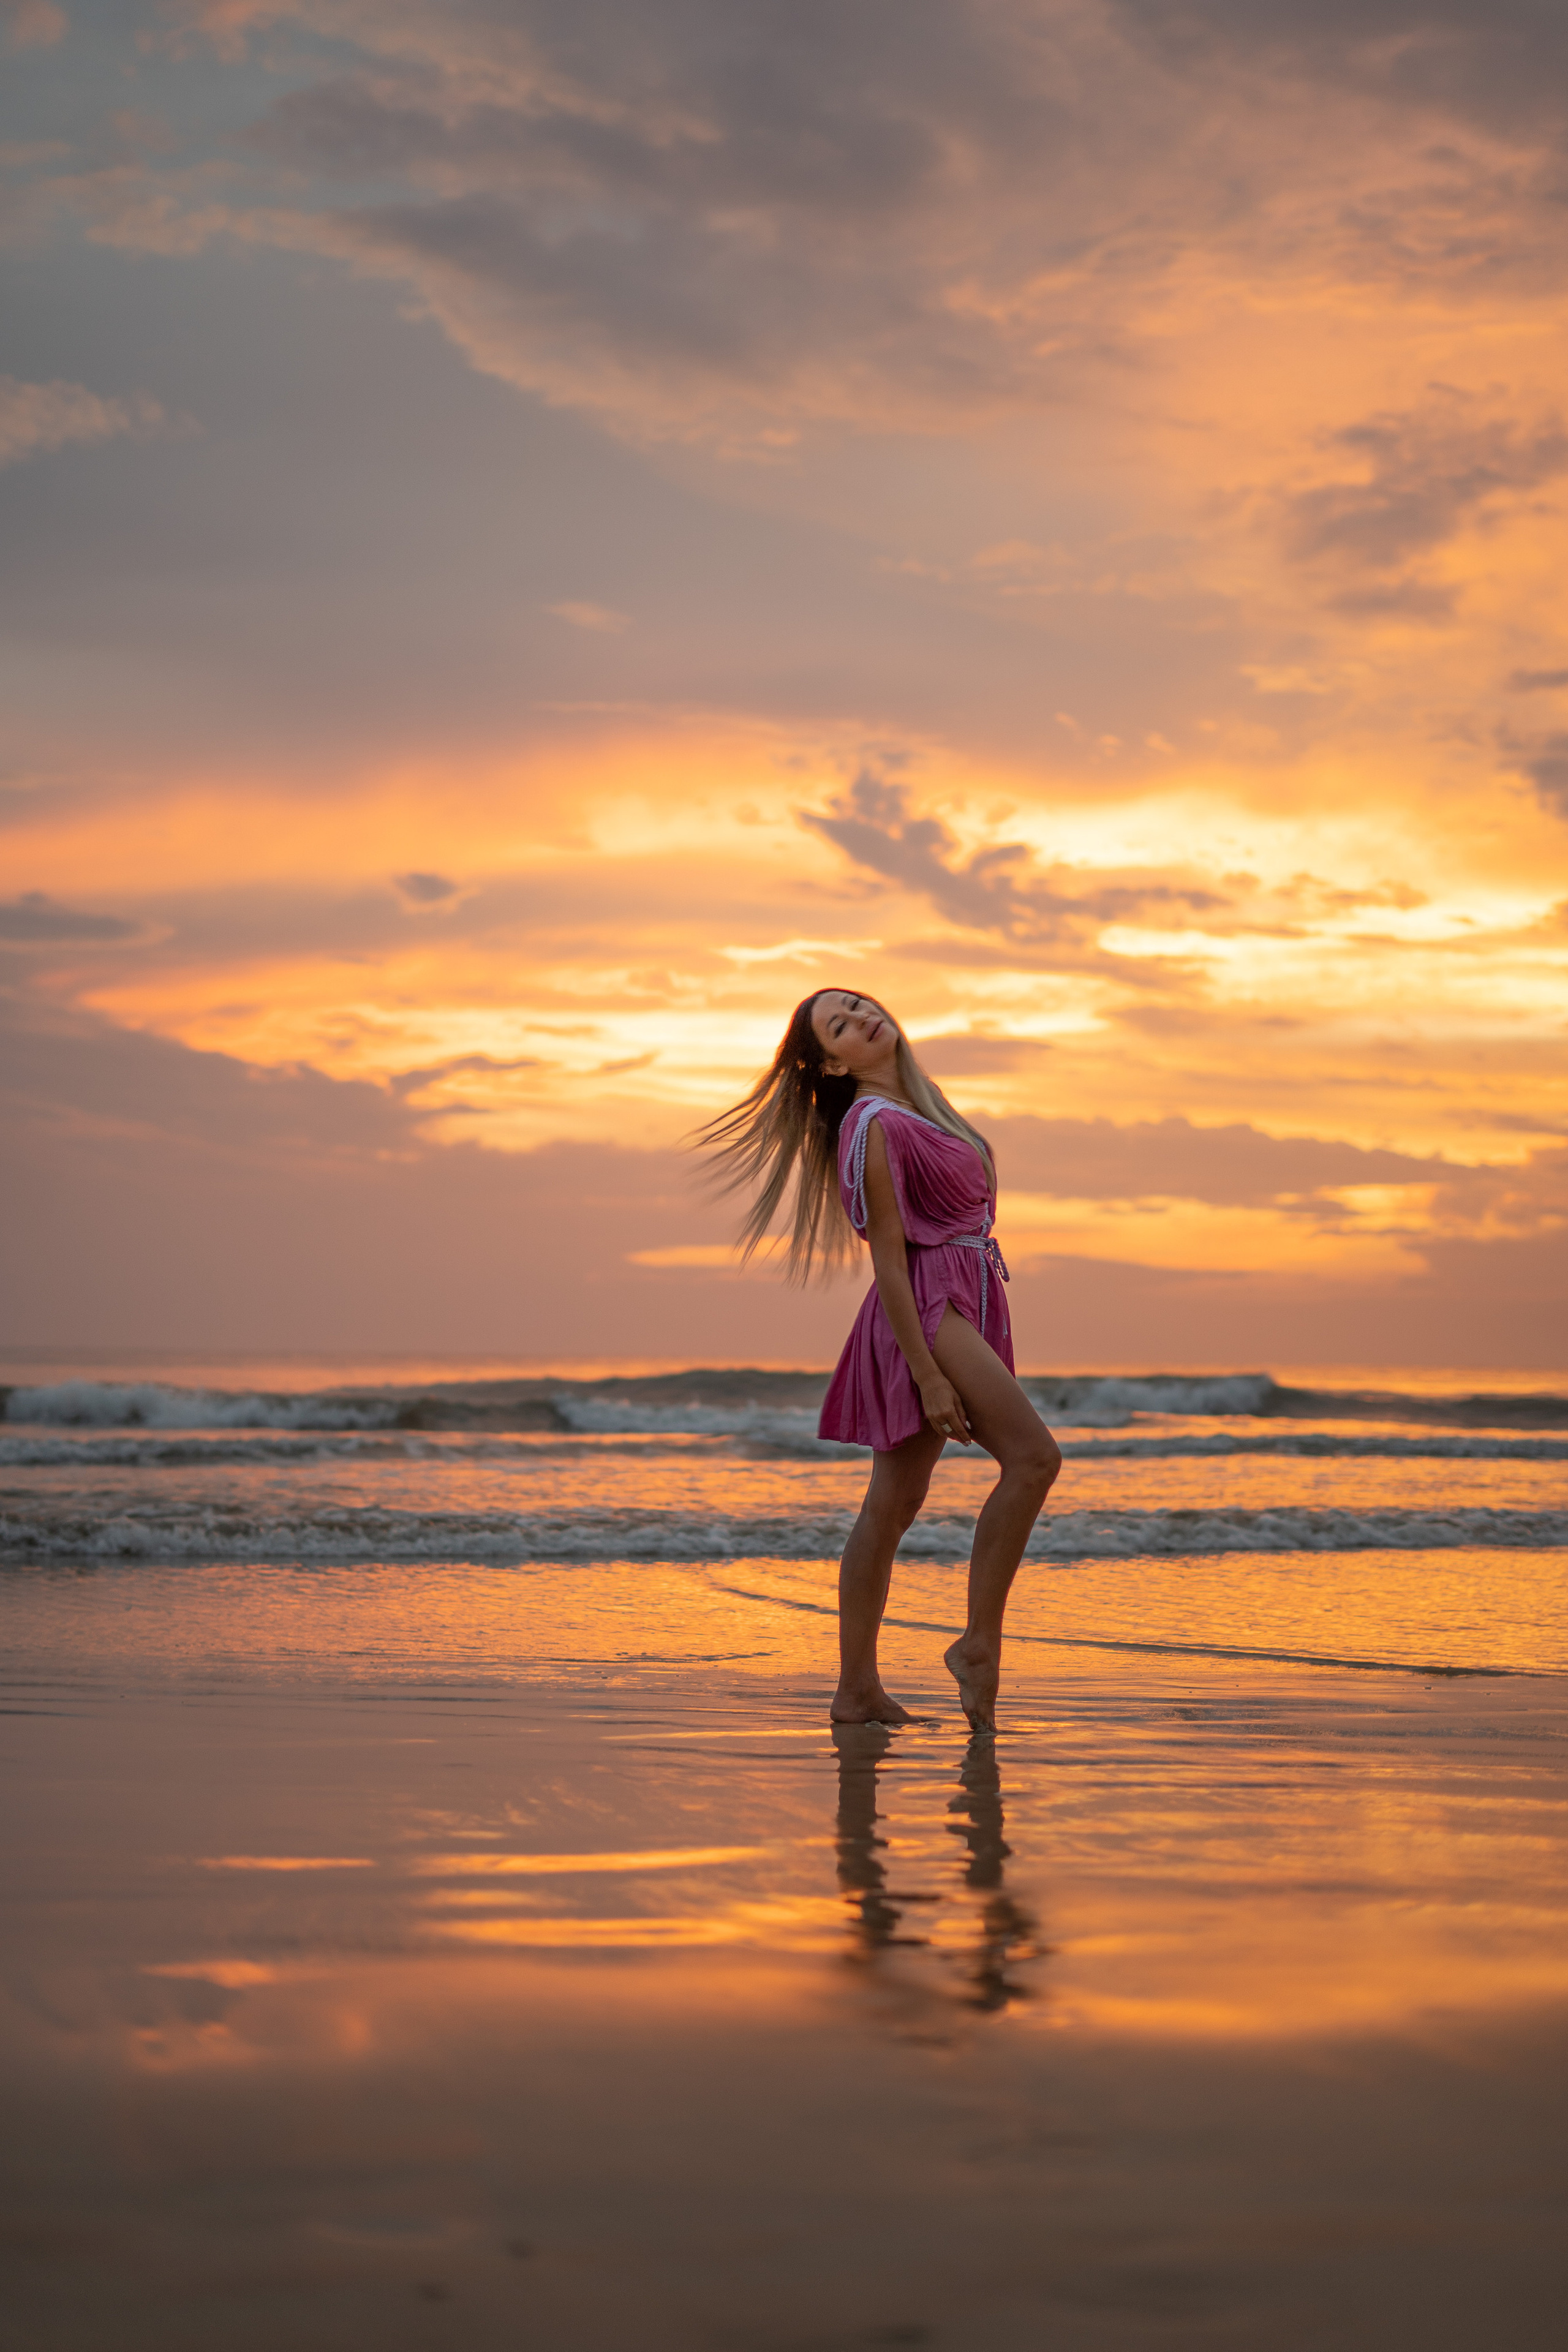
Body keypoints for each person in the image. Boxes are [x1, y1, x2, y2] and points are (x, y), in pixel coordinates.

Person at [696, 989, 1061, 1732]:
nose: (863, 1016)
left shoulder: (928, 1109)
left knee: (893, 1504)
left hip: (972, 1292)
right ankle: (979, 1644)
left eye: (859, 1004)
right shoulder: (870, 1124)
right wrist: (928, 1373)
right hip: (930, 1306)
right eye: (840, 1023)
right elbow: (890, 1261)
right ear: (831, 1062)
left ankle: (856, 1691)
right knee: (1032, 1459)